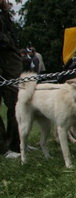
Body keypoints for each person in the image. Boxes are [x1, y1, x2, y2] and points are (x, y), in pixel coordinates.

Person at [0, 0, 23, 158]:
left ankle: (16, 144)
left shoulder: (3, 13)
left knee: (16, 100)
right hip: (4, 54)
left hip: (9, 58)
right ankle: (3, 148)